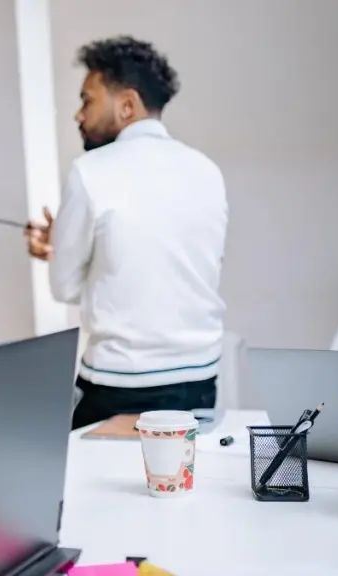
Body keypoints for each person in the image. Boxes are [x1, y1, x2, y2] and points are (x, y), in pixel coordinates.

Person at [25, 36, 227, 430]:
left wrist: (58, 246)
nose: (78, 115)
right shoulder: (207, 170)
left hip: (120, 384)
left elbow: (64, 288)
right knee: (177, 487)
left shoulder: (91, 171)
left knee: (89, 488)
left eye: (87, 100)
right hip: (199, 379)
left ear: (127, 105)